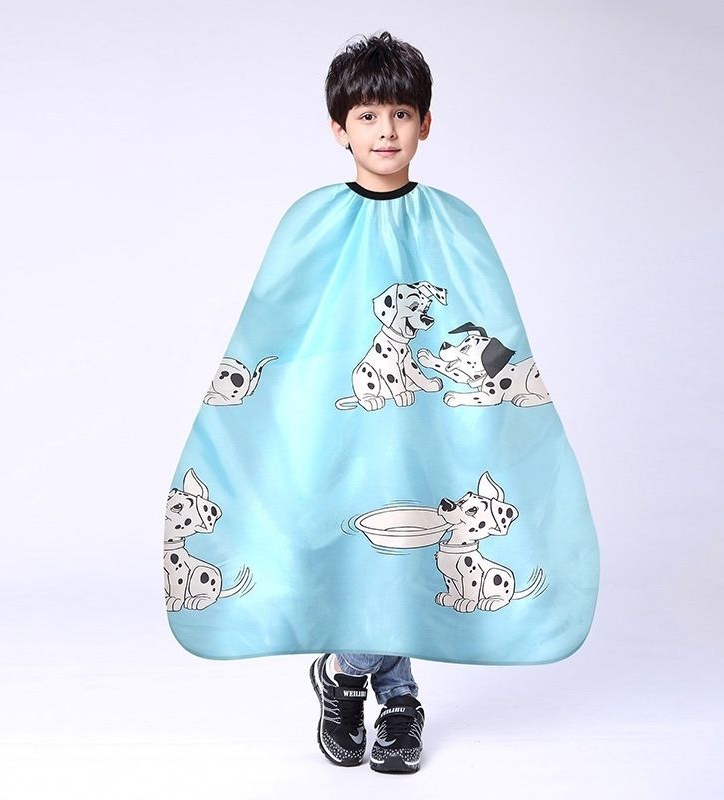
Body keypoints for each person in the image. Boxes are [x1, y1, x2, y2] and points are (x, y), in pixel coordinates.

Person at [308, 30, 433, 775]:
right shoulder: (314, 221)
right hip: (342, 415)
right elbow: (286, 320)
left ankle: (349, 675)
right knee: (362, 547)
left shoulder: (450, 223)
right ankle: (397, 695)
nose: (386, 130)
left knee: (411, 542)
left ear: (425, 123)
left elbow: (482, 319)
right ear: (339, 129)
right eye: (368, 115)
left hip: (425, 417)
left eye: (401, 113)